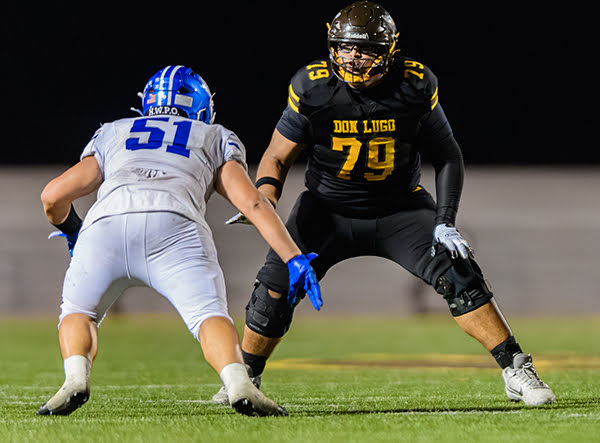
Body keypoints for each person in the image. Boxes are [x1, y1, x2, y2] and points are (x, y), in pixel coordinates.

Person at [214, 1, 555, 407]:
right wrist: (267, 195)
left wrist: (445, 220)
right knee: (275, 285)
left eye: (365, 49)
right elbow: (276, 155)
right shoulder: (313, 86)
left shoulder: (413, 84)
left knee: (460, 275)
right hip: (326, 211)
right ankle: (245, 377)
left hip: (400, 210)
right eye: (345, 47)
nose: (353, 57)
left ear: (389, 51)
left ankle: (515, 367)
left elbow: (447, 155)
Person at [38, 65, 321, 417]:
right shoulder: (214, 135)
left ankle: (75, 379)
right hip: (174, 227)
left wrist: (74, 231)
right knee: (208, 315)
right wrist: (293, 257)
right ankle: (238, 384)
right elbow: (252, 203)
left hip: (105, 226)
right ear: (201, 106)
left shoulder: (114, 131)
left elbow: (52, 196)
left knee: (79, 312)